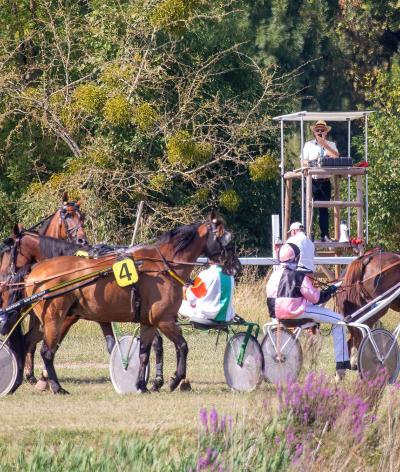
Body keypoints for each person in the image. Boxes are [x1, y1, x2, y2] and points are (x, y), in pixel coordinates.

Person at [266, 242, 350, 379]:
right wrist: (331, 291)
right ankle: (341, 366)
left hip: (277, 316)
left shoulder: (273, 276)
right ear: (296, 258)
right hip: (297, 313)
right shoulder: (300, 276)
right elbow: (317, 299)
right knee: (339, 320)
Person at [302, 120, 339, 242]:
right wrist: (313, 163)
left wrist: (324, 144)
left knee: (324, 209)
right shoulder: (308, 145)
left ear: (326, 132)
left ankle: (325, 235)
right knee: (309, 208)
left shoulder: (331, 144)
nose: (319, 132)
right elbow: (303, 161)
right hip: (312, 181)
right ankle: (308, 234)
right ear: (314, 132)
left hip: (325, 181)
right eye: (317, 130)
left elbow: (336, 156)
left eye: (322, 130)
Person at [179, 256, 234, 322]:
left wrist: (184, 290)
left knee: (178, 304)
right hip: (226, 317)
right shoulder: (230, 275)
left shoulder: (205, 274)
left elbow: (191, 299)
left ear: (209, 259)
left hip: (205, 317)